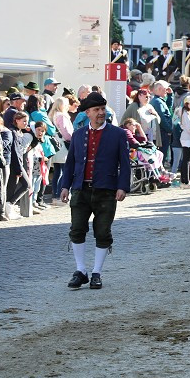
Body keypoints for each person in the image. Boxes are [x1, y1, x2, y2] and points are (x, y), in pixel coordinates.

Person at [59, 92, 131, 290]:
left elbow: (125, 164)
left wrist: (123, 186)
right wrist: (65, 185)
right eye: (97, 110)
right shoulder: (79, 134)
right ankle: (81, 270)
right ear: (88, 112)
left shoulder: (118, 134)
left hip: (106, 190)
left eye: (103, 109)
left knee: (103, 231)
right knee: (77, 229)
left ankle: (97, 272)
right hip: (80, 189)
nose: (101, 113)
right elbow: (70, 162)